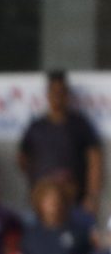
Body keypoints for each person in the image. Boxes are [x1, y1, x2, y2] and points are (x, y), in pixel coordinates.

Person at [18, 70, 103, 213]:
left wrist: (92, 196)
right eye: (54, 92)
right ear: (48, 94)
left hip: (74, 199)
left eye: (61, 92)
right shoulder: (36, 126)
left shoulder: (80, 124)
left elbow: (94, 160)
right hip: (43, 200)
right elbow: (22, 158)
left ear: (67, 95)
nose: (57, 96)